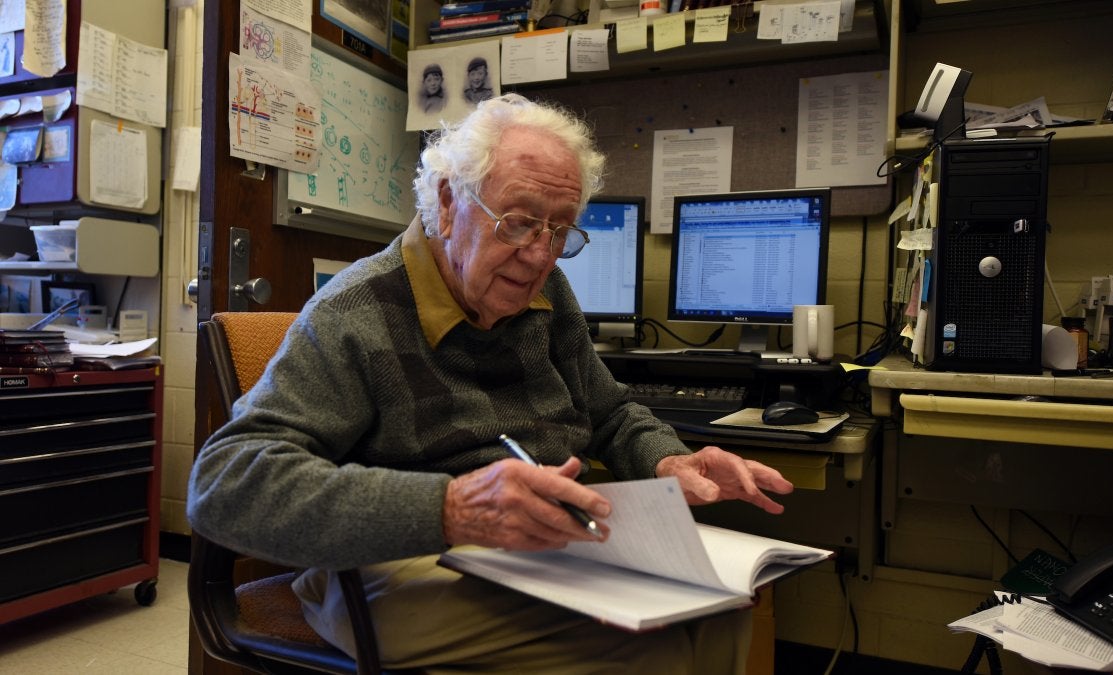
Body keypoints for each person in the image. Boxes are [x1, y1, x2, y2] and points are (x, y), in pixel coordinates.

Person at [188, 93, 794, 674]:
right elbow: (225, 484)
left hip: (540, 550)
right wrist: (452, 508)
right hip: (393, 564)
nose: (539, 256)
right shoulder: (354, 315)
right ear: (449, 202)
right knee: (642, 654)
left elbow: (609, 412)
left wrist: (668, 462)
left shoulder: (547, 295)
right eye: (520, 222)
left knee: (720, 611)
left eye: (560, 232)